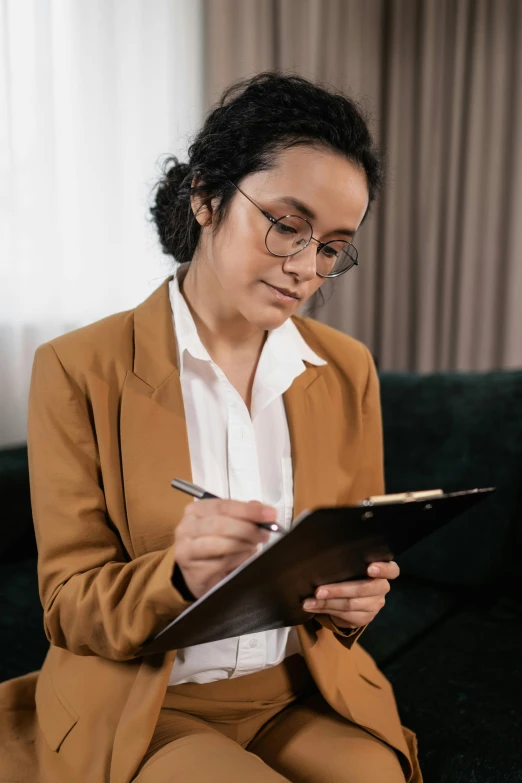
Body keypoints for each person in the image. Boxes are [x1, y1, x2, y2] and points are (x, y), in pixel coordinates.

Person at [0, 72, 422, 783]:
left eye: (330, 247)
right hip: (145, 699)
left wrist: (356, 601)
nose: (304, 267)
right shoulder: (77, 368)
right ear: (205, 195)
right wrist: (178, 574)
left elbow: (352, 553)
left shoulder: (347, 369)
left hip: (298, 688)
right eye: (287, 224)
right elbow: (68, 605)